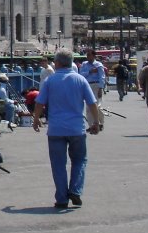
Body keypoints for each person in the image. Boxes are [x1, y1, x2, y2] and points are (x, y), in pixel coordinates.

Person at [32, 48, 103, 209]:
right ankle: (76, 190)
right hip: (76, 128)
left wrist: (36, 119)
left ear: (56, 63)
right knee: (79, 160)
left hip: (56, 129)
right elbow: (92, 103)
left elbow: (39, 103)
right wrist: (95, 123)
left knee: (58, 164)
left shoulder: (50, 80)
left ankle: (62, 198)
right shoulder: (80, 79)